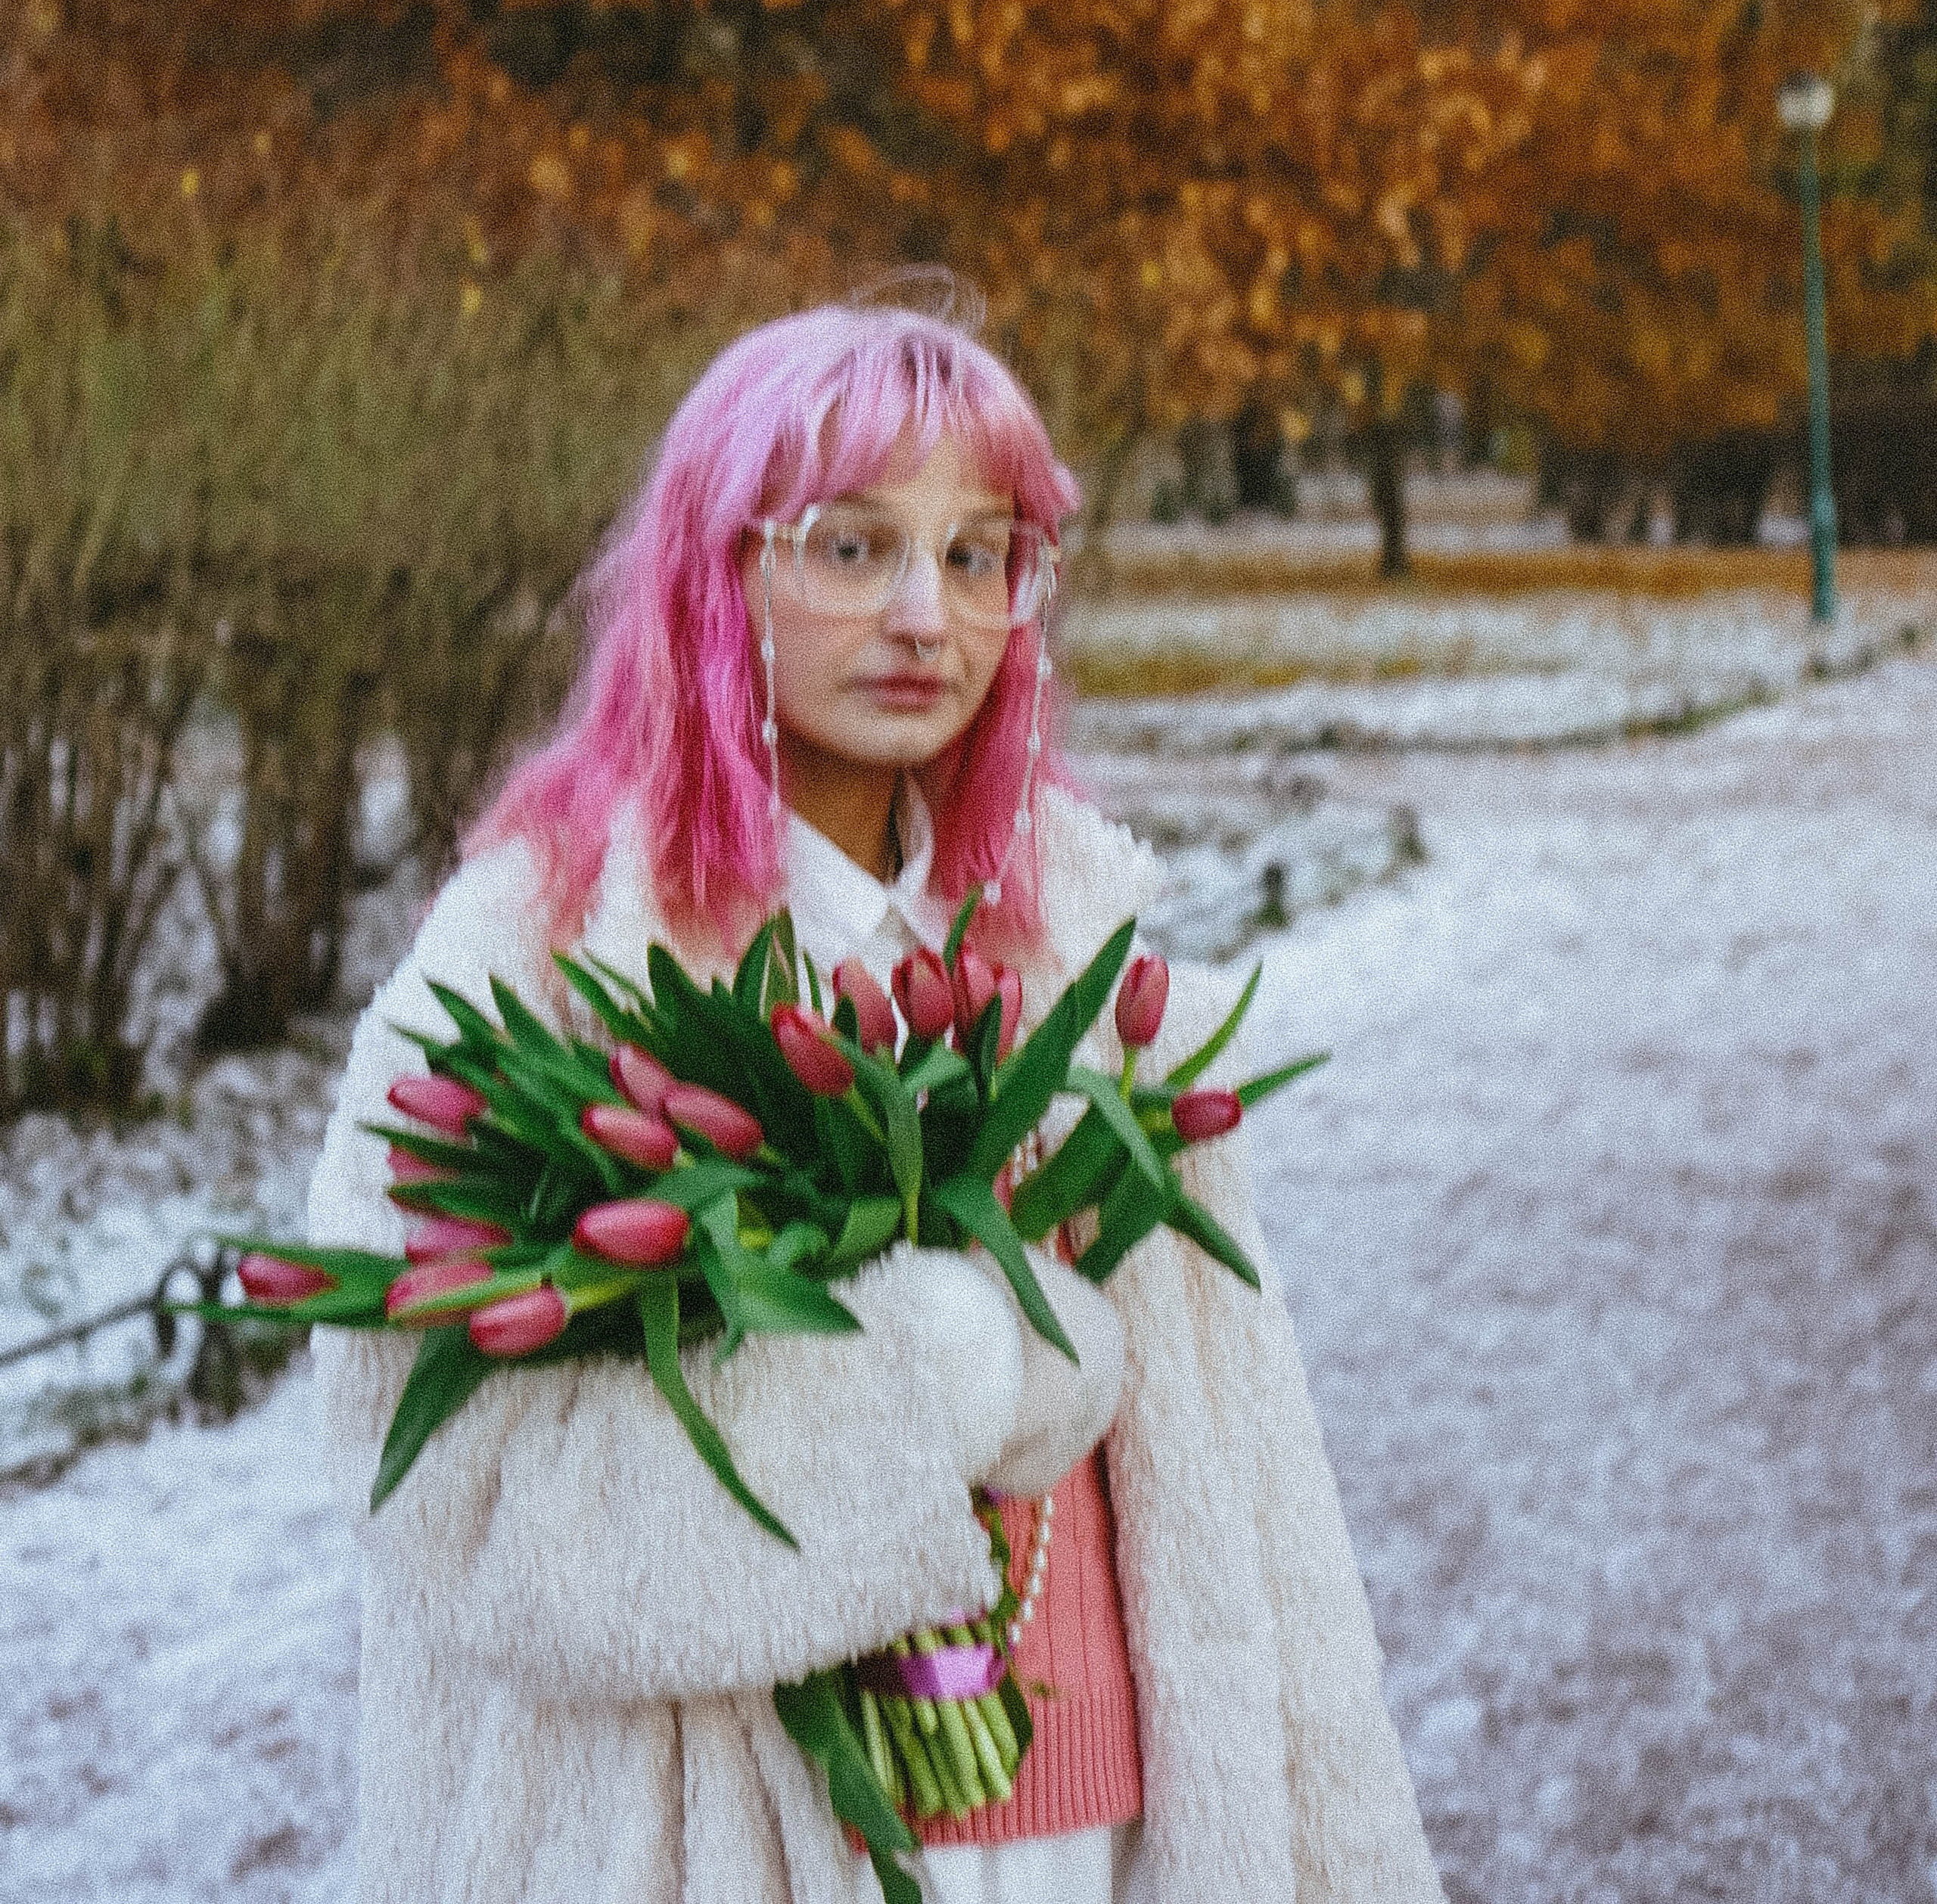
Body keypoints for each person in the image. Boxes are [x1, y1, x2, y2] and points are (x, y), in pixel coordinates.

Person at [308, 299, 1447, 1904]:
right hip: (717, 1843)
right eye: (851, 550)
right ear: (721, 575)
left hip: (1096, 1831)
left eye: (978, 554)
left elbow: (1243, 1501)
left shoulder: (1064, 941)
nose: (928, 614)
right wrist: (942, 1369)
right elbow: (452, 1501)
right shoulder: (545, 953)